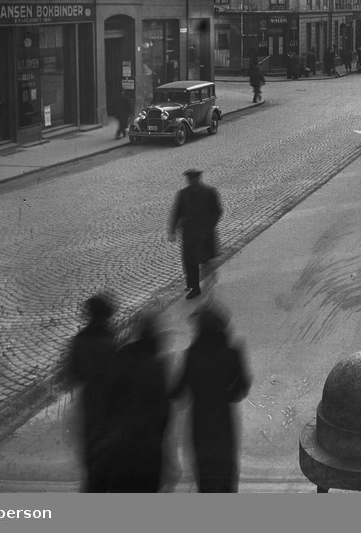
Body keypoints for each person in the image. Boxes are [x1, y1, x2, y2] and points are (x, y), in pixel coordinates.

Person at [170, 306, 251, 493]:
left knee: (205, 475)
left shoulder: (192, 354)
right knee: (225, 474)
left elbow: (178, 390)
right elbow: (240, 391)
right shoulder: (231, 353)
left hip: (200, 423)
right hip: (223, 423)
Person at [106, 312, 173, 492]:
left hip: (124, 441)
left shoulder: (124, 356)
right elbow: (162, 406)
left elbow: (111, 397)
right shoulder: (155, 365)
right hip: (148, 443)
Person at [66, 294, 118, 492]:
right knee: (107, 450)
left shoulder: (82, 339)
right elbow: (115, 370)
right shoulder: (107, 337)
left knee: (94, 450)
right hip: (107, 400)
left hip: (92, 399)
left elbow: (73, 372)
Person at [169, 169, 224, 300]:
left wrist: (209, 226)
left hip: (205, 234)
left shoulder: (210, 192)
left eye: (194, 179)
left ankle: (209, 280)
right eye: (189, 179)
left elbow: (217, 211)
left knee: (206, 260)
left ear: (199, 179)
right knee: (189, 262)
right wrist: (172, 230)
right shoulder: (182, 194)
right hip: (189, 235)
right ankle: (194, 288)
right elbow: (177, 212)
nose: (191, 181)